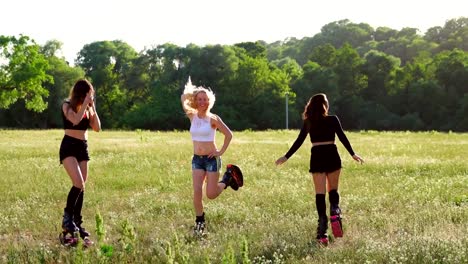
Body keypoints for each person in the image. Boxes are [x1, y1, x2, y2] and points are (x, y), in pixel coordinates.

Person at [275, 93, 363, 245]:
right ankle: (335, 212)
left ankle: (322, 232)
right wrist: (353, 153)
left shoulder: (309, 121)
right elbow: (342, 137)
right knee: (333, 191)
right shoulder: (333, 119)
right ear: (324, 105)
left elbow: (299, 140)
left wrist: (286, 157)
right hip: (332, 154)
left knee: (320, 194)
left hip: (317, 156)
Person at [180, 78, 242, 235]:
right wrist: (193, 92)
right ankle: (200, 224)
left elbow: (229, 134)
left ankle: (228, 179)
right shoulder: (191, 115)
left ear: (209, 101)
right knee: (196, 192)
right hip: (197, 160)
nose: (202, 102)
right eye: (199, 99)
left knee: (211, 194)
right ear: (196, 101)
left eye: (205, 99)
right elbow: (182, 98)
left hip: (211, 160)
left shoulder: (213, 119)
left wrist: (220, 152)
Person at [59, 79, 101, 245]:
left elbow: (97, 127)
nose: (90, 97)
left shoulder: (88, 108)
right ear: (81, 94)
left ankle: (77, 223)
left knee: (82, 186)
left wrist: (93, 107)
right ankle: (67, 220)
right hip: (69, 146)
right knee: (78, 182)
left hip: (83, 147)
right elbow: (75, 120)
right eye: (88, 94)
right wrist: (85, 104)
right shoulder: (66, 105)